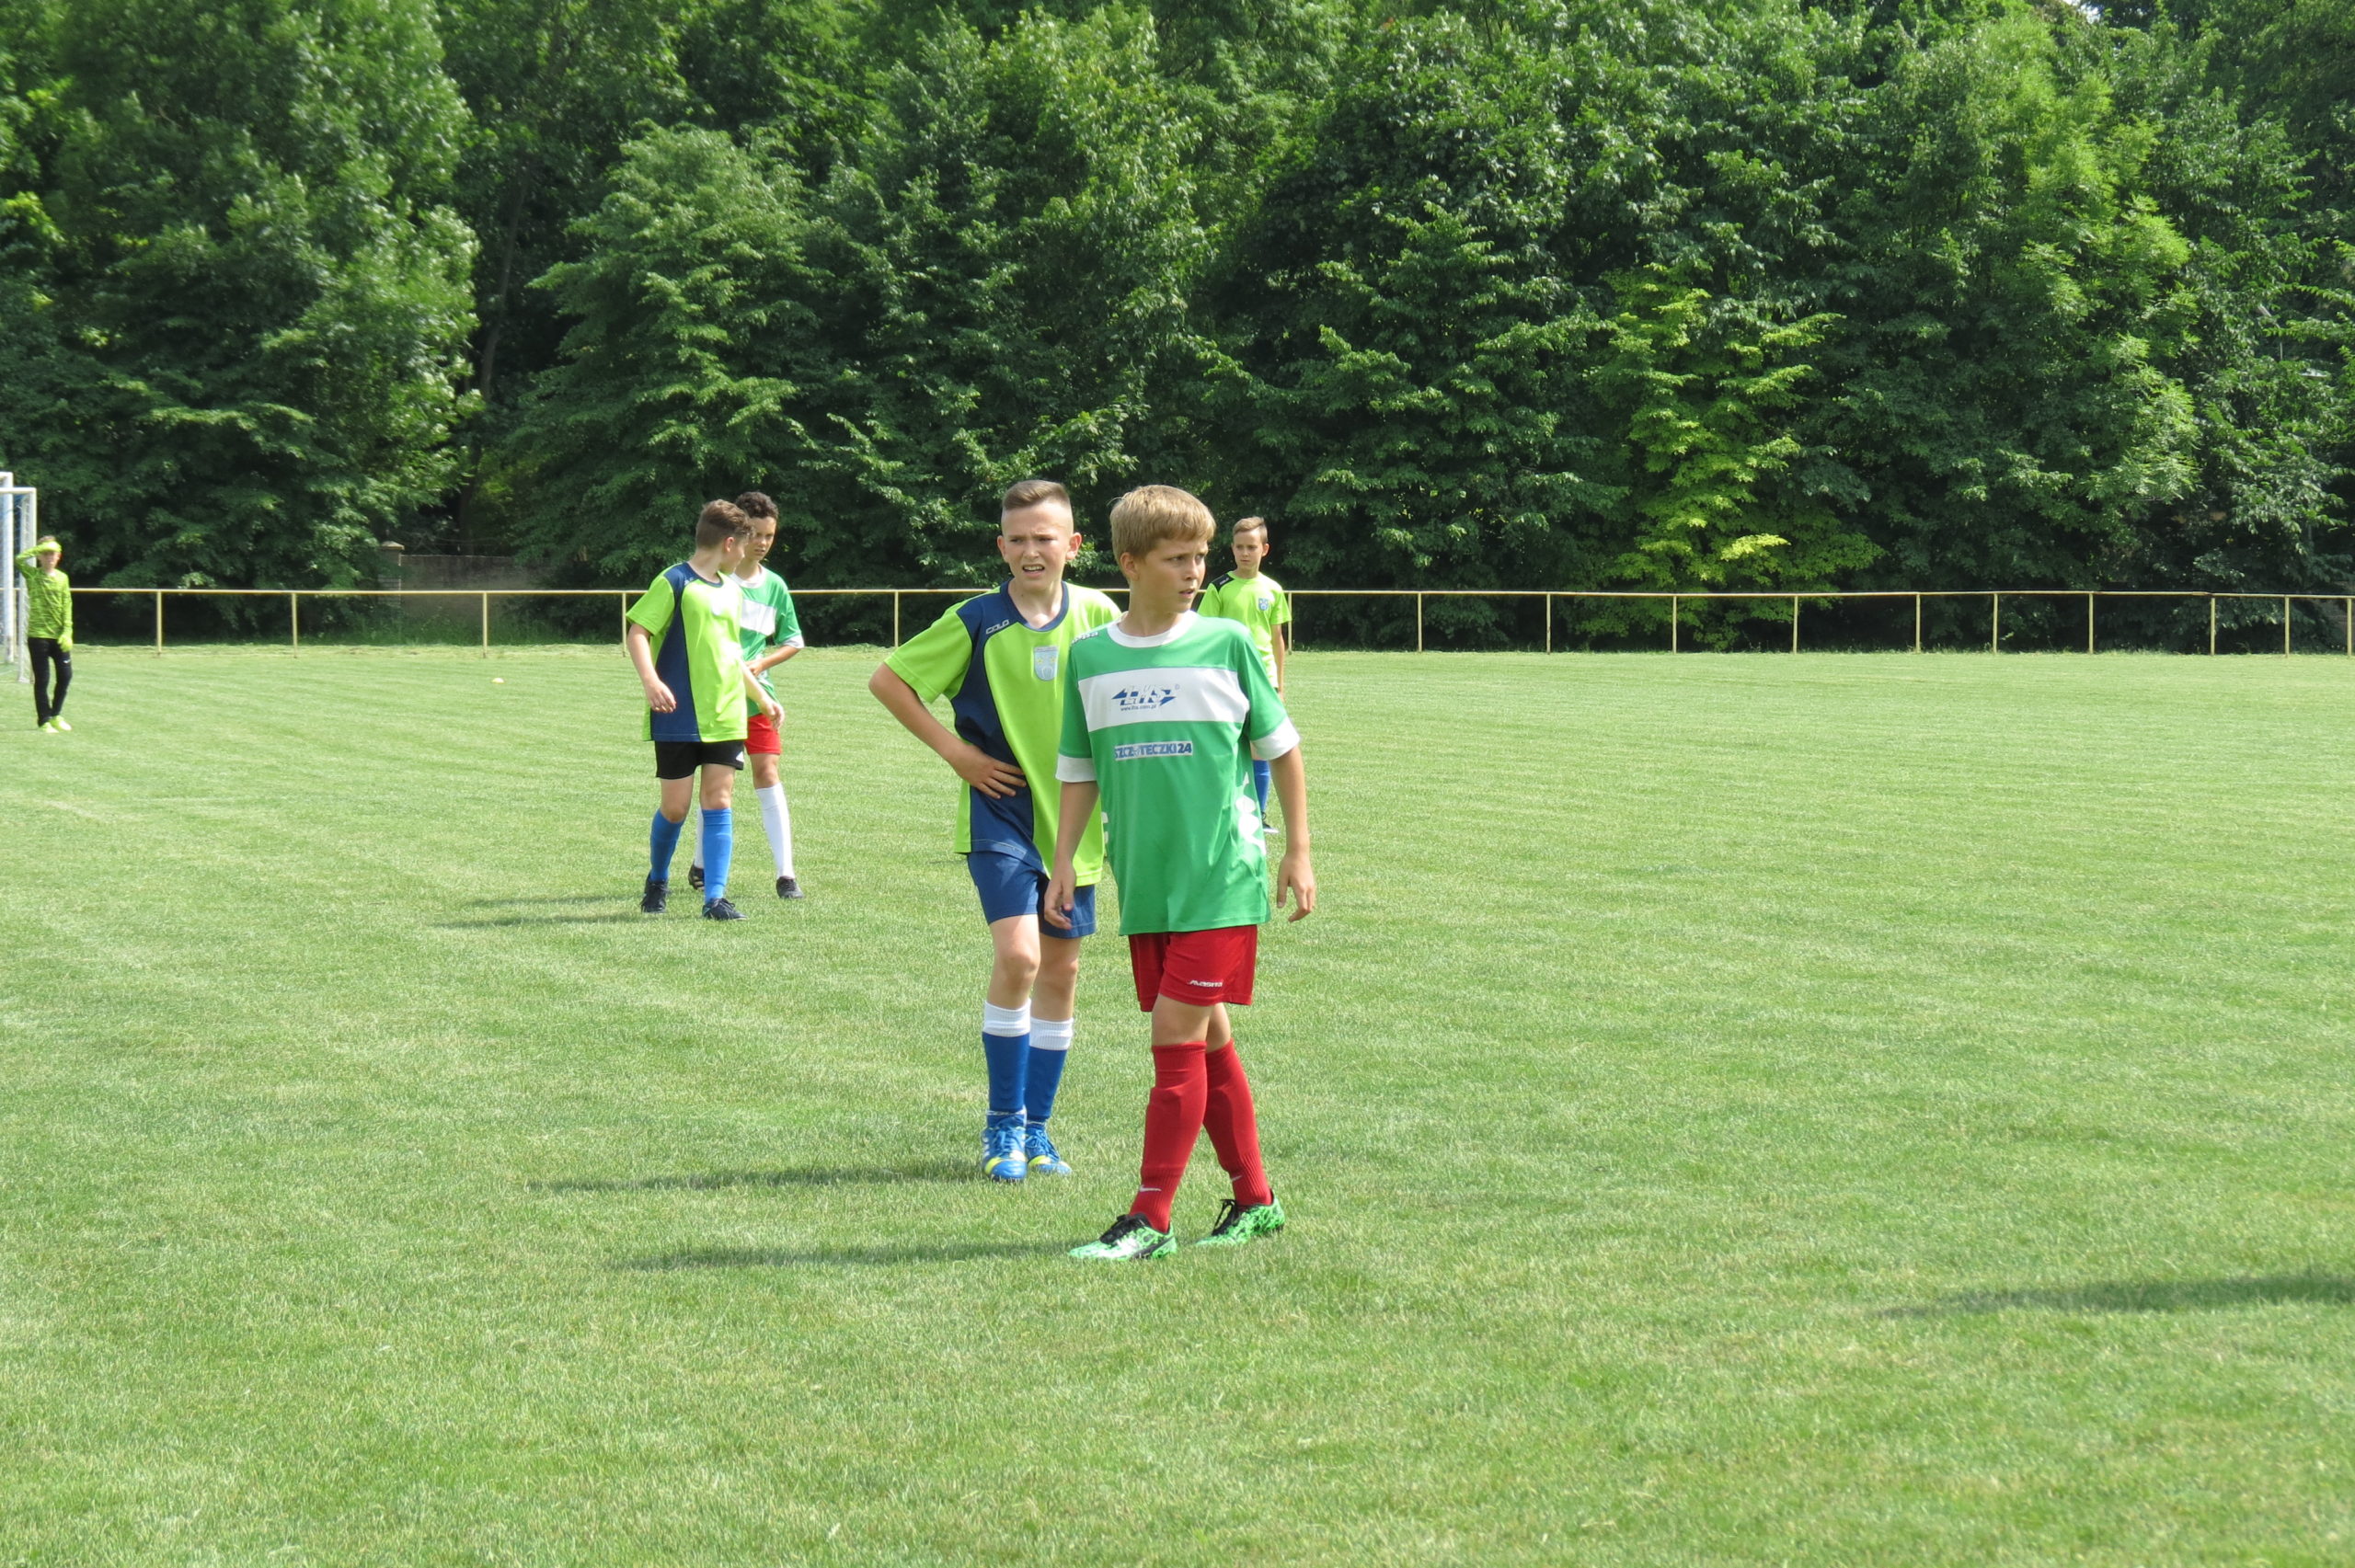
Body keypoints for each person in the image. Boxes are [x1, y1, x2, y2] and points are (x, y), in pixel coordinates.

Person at [1048, 486, 1315, 1261]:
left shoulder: (1226, 644)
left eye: (1200, 556)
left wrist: (1297, 849)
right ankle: (1256, 1199)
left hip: (1221, 876)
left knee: (1173, 1039)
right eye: (1177, 558)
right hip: (1147, 881)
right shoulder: (1091, 658)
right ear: (1130, 562)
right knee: (1209, 1040)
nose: (1195, 570)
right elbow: (1078, 770)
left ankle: (1150, 1218)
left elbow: (1283, 749)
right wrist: (1064, 861)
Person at [867, 479, 1121, 1182]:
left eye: (1046, 537)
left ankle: (1038, 1130)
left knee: (1063, 970)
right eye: (1019, 539)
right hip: (1001, 813)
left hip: (1076, 824)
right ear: (1000, 546)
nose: (1032, 550)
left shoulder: (1100, 615)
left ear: (1074, 544)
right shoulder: (977, 619)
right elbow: (889, 681)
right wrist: (959, 754)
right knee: (1020, 957)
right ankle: (1002, 1122)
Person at [624, 499, 780, 921]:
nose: (745, 554)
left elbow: (731, 653)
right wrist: (651, 681)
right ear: (729, 544)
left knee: (719, 801)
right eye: (743, 545)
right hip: (677, 714)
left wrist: (761, 697)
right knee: (675, 808)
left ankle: (715, 898)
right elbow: (638, 632)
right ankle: (658, 879)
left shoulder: (732, 590)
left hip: (726, 714)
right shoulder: (673, 581)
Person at [687, 491, 806, 899]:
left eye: (769, 535)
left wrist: (762, 664)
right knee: (717, 785)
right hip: (719, 696)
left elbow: (793, 640)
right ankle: (701, 863)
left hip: (758, 698)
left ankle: (786, 875)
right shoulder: (714, 581)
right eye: (755, 533)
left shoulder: (775, 587)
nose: (762, 542)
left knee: (768, 773)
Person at [1196, 515, 1291, 819]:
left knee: (1261, 748)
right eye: (1239, 547)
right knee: (1226, 743)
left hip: (1263, 678)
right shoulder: (1220, 587)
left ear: (1265, 549)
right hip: (1227, 676)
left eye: (1251, 547)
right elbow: (1206, 633)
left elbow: (1276, 639)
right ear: (1232, 549)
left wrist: (1280, 686)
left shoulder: (1273, 589)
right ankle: (1224, 809)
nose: (1245, 553)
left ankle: (1258, 815)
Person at [15, 534, 73, 732]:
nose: (49, 557)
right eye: (45, 553)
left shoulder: (63, 578)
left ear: (59, 556)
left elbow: (67, 604)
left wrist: (67, 631)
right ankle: (44, 720)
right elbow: (19, 560)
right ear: (39, 555)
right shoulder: (33, 575)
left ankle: (56, 714)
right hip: (38, 636)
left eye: (53, 553)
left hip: (59, 636)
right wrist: (38, 549)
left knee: (65, 676)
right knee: (43, 679)